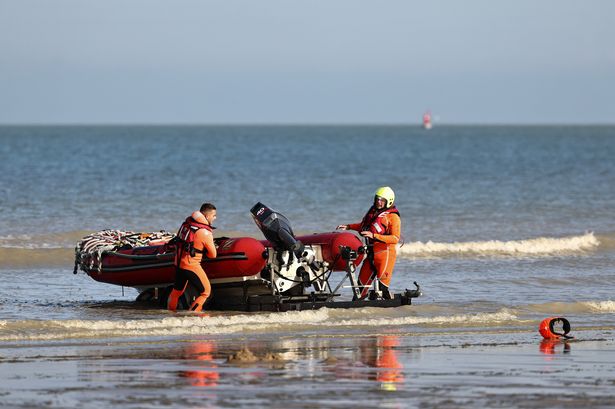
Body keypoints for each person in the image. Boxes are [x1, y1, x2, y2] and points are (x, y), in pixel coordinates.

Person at [337, 186, 401, 299]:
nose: (378, 202)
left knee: (382, 290)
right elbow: (363, 227)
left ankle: (388, 308)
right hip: (371, 254)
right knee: (359, 290)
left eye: (382, 200)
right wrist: (348, 227)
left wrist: (374, 236)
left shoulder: (393, 217)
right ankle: (359, 309)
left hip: (385, 254)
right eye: (377, 199)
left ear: (389, 201)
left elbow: (395, 238)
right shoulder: (373, 213)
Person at [167, 203, 217, 312]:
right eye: (214, 215)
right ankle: (193, 315)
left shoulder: (187, 224)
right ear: (207, 216)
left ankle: (170, 313)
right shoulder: (205, 233)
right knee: (206, 292)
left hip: (179, 264)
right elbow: (213, 255)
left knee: (177, 292)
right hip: (191, 266)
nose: (215, 218)